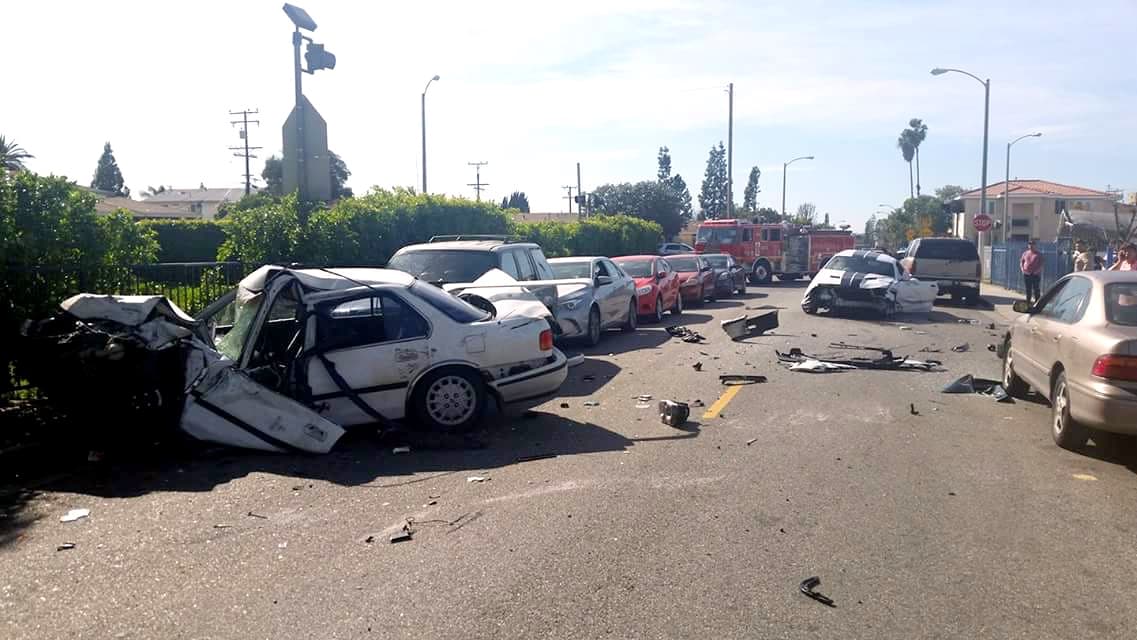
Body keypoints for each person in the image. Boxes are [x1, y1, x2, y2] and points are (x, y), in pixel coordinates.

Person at [1020, 240, 1044, 305]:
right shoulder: (1025, 253)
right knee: (1028, 289)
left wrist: (1037, 271)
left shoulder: (1039, 254)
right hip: (1027, 274)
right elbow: (1022, 262)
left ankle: (1037, 303)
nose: (1031, 246)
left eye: (1032, 244)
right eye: (1030, 244)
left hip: (1035, 275)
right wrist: (1022, 269)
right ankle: (1028, 302)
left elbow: (1041, 264)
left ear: (1035, 245)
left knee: (1036, 289)